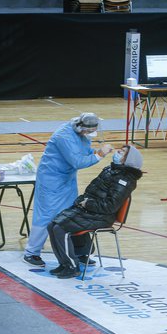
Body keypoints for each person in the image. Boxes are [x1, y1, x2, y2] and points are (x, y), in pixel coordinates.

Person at [23, 113, 114, 267]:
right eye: (86, 132)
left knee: (72, 215)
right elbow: (77, 161)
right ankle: (31, 253)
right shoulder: (63, 136)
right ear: (80, 127)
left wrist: (93, 152)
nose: (87, 135)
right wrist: (99, 155)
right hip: (51, 180)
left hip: (67, 179)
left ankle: (78, 252)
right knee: (46, 216)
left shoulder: (80, 133)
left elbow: (82, 151)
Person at [47, 145, 143, 279]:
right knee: (51, 225)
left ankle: (72, 266)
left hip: (102, 216)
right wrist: (81, 200)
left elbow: (110, 206)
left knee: (59, 229)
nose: (117, 152)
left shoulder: (125, 180)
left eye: (121, 152)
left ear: (128, 160)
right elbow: (92, 189)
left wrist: (88, 203)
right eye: (119, 150)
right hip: (91, 211)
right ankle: (65, 263)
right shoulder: (111, 170)